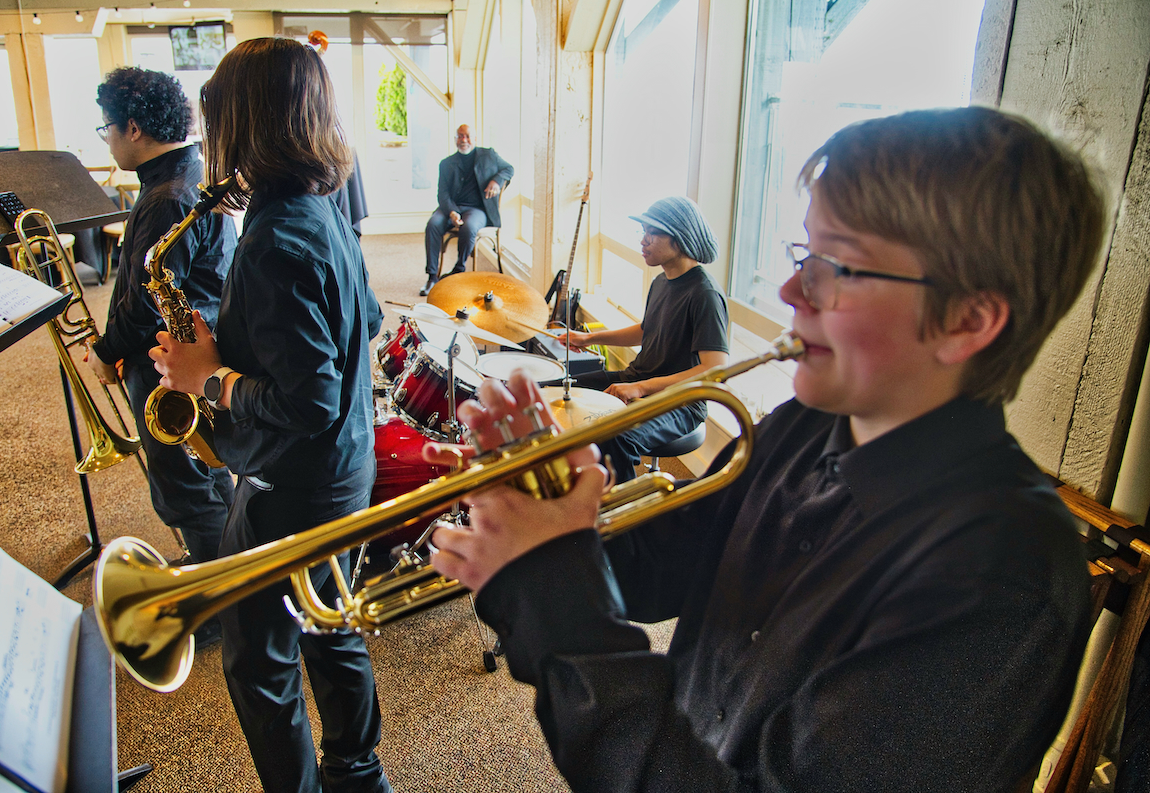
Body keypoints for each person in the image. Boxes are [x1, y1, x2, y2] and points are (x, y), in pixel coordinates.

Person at [427, 107, 1105, 792]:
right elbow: (663, 567)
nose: (789, 292)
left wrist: (555, 598)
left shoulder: (998, 580)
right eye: (804, 256)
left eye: (837, 267)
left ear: (968, 321)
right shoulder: (797, 428)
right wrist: (539, 514)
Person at [148, 37, 392, 793]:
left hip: (293, 486)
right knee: (330, 623)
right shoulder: (322, 211)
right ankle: (357, 770)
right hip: (347, 468)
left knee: (257, 663)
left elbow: (309, 400)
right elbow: (373, 318)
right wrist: (247, 343)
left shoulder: (272, 240)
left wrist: (212, 376)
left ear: (244, 124)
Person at [87, 66, 236, 570]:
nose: (106, 140)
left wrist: (107, 352)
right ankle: (229, 569)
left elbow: (146, 301)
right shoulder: (185, 176)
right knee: (207, 469)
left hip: (166, 363)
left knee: (184, 486)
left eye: (106, 127)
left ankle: (218, 600)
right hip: (191, 349)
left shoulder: (167, 196)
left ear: (133, 128)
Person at [556, 196, 728, 482]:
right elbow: (647, 329)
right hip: (637, 377)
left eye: (653, 233)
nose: (643, 241)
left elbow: (714, 369)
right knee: (559, 391)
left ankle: (620, 517)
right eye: (643, 232)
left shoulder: (704, 294)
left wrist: (640, 388)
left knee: (618, 439)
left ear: (680, 236)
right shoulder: (662, 281)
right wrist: (587, 339)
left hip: (679, 403)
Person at [420, 124, 514, 296]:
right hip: (450, 207)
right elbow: (443, 193)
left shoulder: (489, 155)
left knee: (469, 227)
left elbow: (509, 169)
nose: (464, 140)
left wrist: (497, 181)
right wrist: (452, 212)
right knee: (433, 224)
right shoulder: (446, 163)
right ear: (455, 139)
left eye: (468, 136)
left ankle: (459, 269)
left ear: (475, 139)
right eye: (460, 136)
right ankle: (432, 276)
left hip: (477, 209)